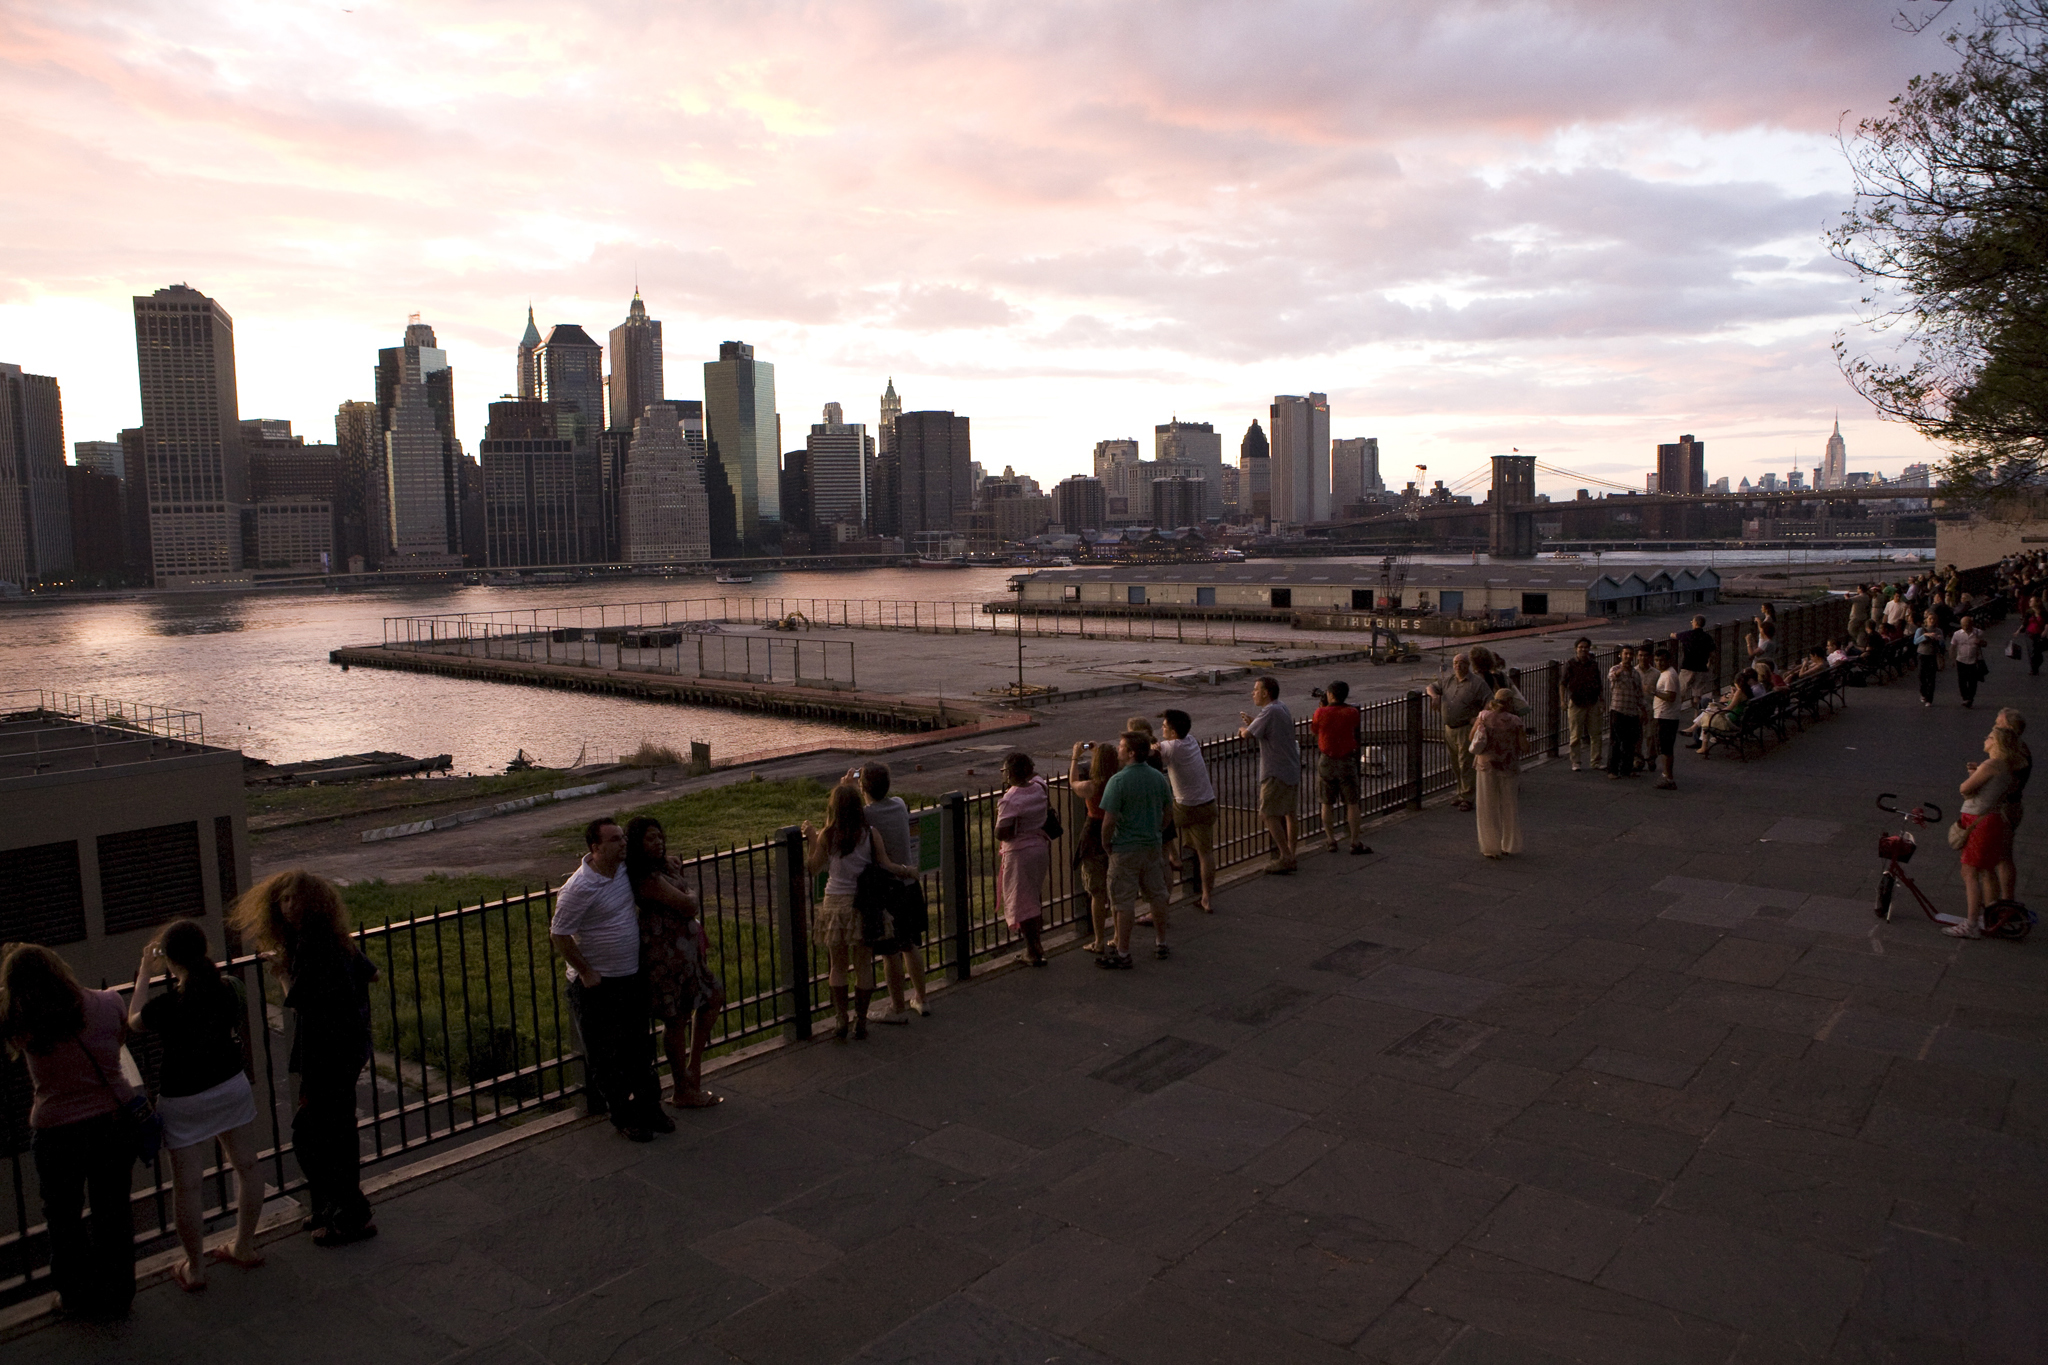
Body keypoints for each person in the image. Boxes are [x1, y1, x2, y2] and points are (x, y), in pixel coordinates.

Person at [231, 869, 382, 1242]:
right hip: (345, 1047)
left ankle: (349, 1212)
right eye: (283, 899)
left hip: (328, 1051)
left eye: (294, 898)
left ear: (313, 903)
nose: (288, 906)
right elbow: (370, 974)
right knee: (333, 1129)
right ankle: (332, 1207)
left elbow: (299, 998)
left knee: (315, 1134)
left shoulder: (313, 943)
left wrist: (283, 972)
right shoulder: (330, 937)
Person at [0, 943, 137, 1318]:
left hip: (56, 1131)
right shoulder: (109, 1003)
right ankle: (120, 1291)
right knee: (113, 1209)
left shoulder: (22, 1023)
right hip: (110, 1121)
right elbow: (118, 1041)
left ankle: (75, 1296)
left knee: (63, 1217)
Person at [127, 920, 264, 1290]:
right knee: (247, 1165)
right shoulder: (226, 989)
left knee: (187, 1186)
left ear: (171, 962)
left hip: (183, 1099)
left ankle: (196, 1269)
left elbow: (132, 1022)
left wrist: (143, 974)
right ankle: (245, 1246)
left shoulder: (169, 1004)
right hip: (230, 1086)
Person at [545, 820, 666, 1142]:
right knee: (606, 1057)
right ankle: (623, 1116)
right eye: (614, 840)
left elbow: (653, 864)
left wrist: (671, 863)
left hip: (631, 975)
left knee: (640, 1049)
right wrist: (585, 971)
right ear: (595, 848)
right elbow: (559, 934)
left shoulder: (625, 870)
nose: (622, 843)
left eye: (623, 837)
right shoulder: (579, 888)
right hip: (598, 987)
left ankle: (650, 1107)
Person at [622, 817, 725, 1108]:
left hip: (684, 955)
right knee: (676, 1017)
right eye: (650, 839)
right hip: (665, 958)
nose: (658, 843)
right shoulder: (647, 879)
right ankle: (682, 1087)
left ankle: (693, 1069)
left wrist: (669, 863)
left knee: (713, 996)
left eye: (660, 837)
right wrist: (691, 892)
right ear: (638, 844)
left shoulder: (659, 868)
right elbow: (688, 904)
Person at [803, 783, 917, 1039]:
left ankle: (840, 1019)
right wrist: (907, 870)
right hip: (864, 906)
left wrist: (811, 837)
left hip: (834, 905)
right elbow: (885, 864)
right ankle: (861, 1021)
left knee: (838, 967)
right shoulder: (870, 833)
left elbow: (813, 867)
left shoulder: (827, 835)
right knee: (864, 965)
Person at [1098, 728, 1174, 965]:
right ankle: (1161, 942)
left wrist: (1106, 843)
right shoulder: (1158, 778)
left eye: (1121, 746)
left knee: (1123, 901)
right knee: (1157, 895)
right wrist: (1156, 831)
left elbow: (1109, 820)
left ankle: (1123, 951)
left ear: (1130, 753)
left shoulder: (1118, 781)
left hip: (1125, 848)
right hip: (1151, 845)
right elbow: (1168, 813)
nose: (1118, 749)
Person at [860, 763, 930, 1017]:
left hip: (887, 889)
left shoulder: (866, 815)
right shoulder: (899, 804)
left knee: (890, 952)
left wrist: (846, 787)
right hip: (909, 885)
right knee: (910, 944)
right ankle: (921, 999)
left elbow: (848, 813)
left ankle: (896, 1005)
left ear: (862, 787)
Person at [1951, 725, 2021, 938]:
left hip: (1979, 821)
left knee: (1969, 871)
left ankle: (1971, 924)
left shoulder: (1991, 764)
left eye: (1990, 737)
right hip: (1993, 819)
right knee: (1986, 869)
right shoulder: (2007, 766)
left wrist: (1973, 775)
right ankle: (1989, 913)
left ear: (1997, 743)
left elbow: (1964, 788)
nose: (1985, 739)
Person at [1157, 709, 1222, 909]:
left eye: (1165, 727)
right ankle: (1206, 898)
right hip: (1207, 803)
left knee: (1159, 829)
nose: (1162, 729)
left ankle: (1173, 857)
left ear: (1174, 732)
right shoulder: (1191, 741)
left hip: (1186, 806)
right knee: (1206, 854)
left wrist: (1153, 746)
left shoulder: (1171, 747)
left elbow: (1152, 755)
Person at [995, 752, 1053, 966]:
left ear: (1009, 774)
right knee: (1033, 897)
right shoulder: (1039, 787)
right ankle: (1036, 944)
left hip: (1019, 854)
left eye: (1004, 771)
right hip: (1039, 847)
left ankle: (1033, 949)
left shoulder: (1010, 799)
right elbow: (1036, 775)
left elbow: (1002, 833)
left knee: (1021, 901)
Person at [1238, 675, 1300, 872]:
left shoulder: (1269, 710)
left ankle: (1286, 856)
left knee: (1268, 814)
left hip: (1275, 771)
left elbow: (1248, 734)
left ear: (1265, 693)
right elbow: (1266, 728)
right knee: (1290, 813)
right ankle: (1291, 852)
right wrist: (1254, 721)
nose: (1253, 693)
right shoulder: (1280, 707)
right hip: (1290, 767)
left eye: (1256, 690)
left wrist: (1244, 728)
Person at [1068, 740, 1122, 953]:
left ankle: (1099, 940)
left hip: (1094, 836)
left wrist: (1075, 756)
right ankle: (1118, 936)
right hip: (1118, 837)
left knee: (1097, 894)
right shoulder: (1119, 782)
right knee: (1117, 891)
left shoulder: (1093, 786)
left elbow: (1073, 783)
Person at [1309, 683, 1370, 856]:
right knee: (1352, 802)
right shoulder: (1352, 712)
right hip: (1347, 760)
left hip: (1327, 760)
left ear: (1329, 694)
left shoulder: (1321, 713)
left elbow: (1315, 730)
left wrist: (1321, 709)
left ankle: (1330, 840)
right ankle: (1354, 841)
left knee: (1326, 802)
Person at [1426, 652, 1490, 811]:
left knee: (1466, 763)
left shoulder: (1477, 684)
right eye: (1455, 663)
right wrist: (1434, 696)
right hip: (1449, 729)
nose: (1458, 666)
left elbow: (1490, 702)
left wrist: (1478, 718)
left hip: (1465, 728)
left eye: (1461, 663)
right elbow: (1431, 687)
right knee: (1455, 763)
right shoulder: (1448, 681)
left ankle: (1467, 797)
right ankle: (1461, 792)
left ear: (1467, 665)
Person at [1469, 688, 1527, 858]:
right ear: (1510, 702)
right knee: (1509, 806)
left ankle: (1490, 846)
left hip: (1486, 765)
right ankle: (1509, 844)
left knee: (1487, 806)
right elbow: (1524, 746)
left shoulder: (1483, 716)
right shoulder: (1515, 721)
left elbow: (1471, 737)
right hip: (1508, 766)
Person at [1995, 708, 2032, 903]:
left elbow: (2002, 785)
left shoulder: (2010, 754)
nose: (1994, 727)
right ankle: (2001, 899)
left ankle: (2004, 900)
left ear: (2009, 728)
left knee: (2002, 856)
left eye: (1998, 724)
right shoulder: (2020, 749)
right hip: (2013, 806)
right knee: (2002, 855)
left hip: (2005, 808)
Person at [1559, 637, 1605, 771]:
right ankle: (1575, 761)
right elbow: (1563, 683)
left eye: (1585, 647)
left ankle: (1596, 760)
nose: (1583, 650)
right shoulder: (1570, 664)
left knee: (1596, 733)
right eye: (1581, 647)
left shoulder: (1593, 664)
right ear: (1576, 649)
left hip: (1592, 701)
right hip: (1576, 701)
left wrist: (1602, 700)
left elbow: (1599, 683)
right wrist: (1563, 700)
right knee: (1575, 735)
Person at [1606, 645, 1645, 778]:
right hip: (1618, 709)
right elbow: (1611, 677)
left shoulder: (1635, 673)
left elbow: (1639, 693)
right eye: (1626, 654)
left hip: (1632, 711)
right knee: (1616, 741)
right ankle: (1612, 770)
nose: (1628, 657)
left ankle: (1626, 769)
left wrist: (1643, 709)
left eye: (1630, 654)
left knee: (1630, 742)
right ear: (1621, 655)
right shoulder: (1615, 669)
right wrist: (1621, 670)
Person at [1650, 647, 1682, 790]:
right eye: (1657, 660)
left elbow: (1670, 696)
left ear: (1668, 660)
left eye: (1662, 660)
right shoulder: (1666, 674)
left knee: (1666, 748)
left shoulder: (1669, 676)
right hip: (1665, 715)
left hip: (1666, 716)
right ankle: (1666, 774)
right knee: (1664, 747)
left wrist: (1654, 692)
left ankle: (1668, 776)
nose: (1659, 663)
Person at [1673, 615, 1717, 709]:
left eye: (1692, 621)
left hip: (1688, 667)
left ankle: (1676, 711)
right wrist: (1709, 664)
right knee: (1697, 694)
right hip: (1701, 668)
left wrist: (1671, 635)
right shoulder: (1707, 637)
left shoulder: (1688, 634)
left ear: (1695, 623)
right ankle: (1696, 714)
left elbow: (1675, 635)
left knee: (1680, 691)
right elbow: (1713, 654)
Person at [1951, 614, 1987, 709]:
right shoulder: (1957, 634)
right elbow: (1953, 647)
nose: (1966, 626)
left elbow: (1985, 644)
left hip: (1973, 660)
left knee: (1972, 681)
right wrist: (1952, 659)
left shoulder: (1978, 633)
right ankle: (1965, 697)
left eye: (1968, 624)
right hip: (1961, 659)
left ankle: (1970, 698)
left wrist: (1980, 642)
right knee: (1962, 680)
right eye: (1964, 624)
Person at [1914, 609, 1946, 707]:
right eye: (1930, 619)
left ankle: (1929, 698)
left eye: (1933, 619)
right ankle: (1923, 693)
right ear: (1926, 620)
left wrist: (1939, 640)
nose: (1932, 621)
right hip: (1922, 654)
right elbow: (1915, 641)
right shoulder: (1921, 630)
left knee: (1931, 677)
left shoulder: (1938, 630)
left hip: (1932, 655)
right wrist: (1925, 636)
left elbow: (1942, 644)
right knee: (1921, 675)